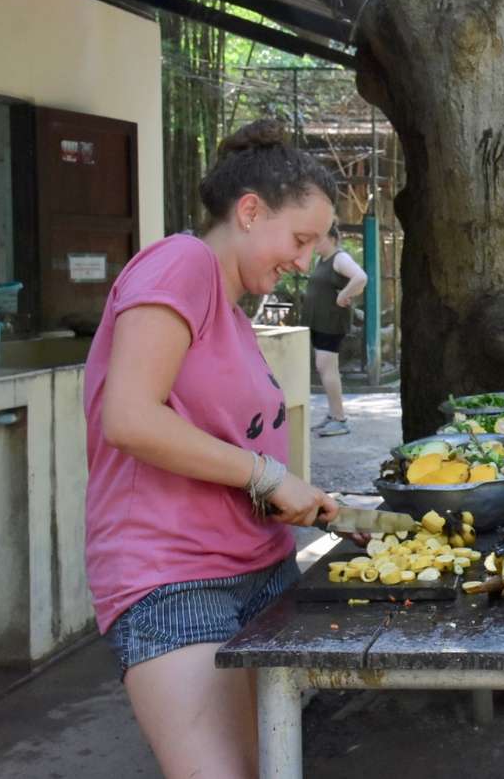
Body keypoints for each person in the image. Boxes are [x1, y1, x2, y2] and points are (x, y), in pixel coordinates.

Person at [84, 119, 341, 779]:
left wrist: (292, 496)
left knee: (271, 767)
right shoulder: (182, 262)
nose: (305, 260)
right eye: (301, 238)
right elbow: (130, 416)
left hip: (260, 571)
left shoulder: (233, 311)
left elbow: (216, 443)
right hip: (175, 578)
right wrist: (266, 474)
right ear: (250, 211)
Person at [302, 223, 367, 436]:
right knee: (324, 368)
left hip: (331, 322)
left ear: (331, 239)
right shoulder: (322, 260)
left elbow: (361, 278)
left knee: (326, 367)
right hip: (319, 321)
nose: (315, 244)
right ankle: (332, 415)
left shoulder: (340, 258)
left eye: (318, 239)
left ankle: (339, 419)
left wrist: (344, 294)